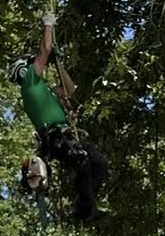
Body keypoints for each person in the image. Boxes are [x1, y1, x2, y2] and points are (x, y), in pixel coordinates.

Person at [12, 17, 108, 223]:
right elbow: (44, 50)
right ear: (24, 70)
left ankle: (88, 202)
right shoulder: (29, 85)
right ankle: (82, 210)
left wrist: (58, 64)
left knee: (98, 163)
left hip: (64, 134)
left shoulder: (44, 89)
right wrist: (48, 25)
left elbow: (69, 89)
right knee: (82, 161)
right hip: (54, 136)